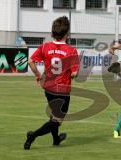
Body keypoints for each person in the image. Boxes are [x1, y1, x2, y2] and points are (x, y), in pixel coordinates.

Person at [24, 16, 80, 150]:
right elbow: (74, 74)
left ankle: (56, 140)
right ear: (67, 34)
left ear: (52, 33)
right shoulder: (71, 51)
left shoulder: (45, 47)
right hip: (63, 89)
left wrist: (38, 75)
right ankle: (33, 135)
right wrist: (71, 74)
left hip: (48, 87)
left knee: (54, 115)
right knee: (57, 121)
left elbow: (30, 61)